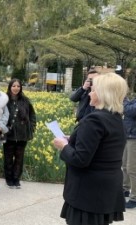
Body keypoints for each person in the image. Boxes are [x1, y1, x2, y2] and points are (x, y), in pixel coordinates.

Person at [53, 73, 127, 225]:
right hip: (106, 189)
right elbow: (102, 148)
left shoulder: (94, 120)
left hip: (88, 192)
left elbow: (80, 159)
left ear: (102, 94)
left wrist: (64, 146)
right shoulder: (115, 118)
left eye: (93, 90)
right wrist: (73, 139)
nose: (90, 94)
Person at [4, 79, 36, 188]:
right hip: (9, 134)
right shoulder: (4, 100)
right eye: (14, 86)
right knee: (8, 158)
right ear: (10, 87)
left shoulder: (25, 100)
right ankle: (8, 179)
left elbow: (32, 115)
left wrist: (31, 127)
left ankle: (16, 179)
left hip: (23, 134)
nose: (16, 88)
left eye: (18, 86)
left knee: (19, 158)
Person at [122, 96, 136, 208]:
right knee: (125, 166)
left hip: (134, 137)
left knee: (132, 168)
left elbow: (130, 111)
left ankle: (134, 198)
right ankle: (125, 189)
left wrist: (123, 99)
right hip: (128, 136)